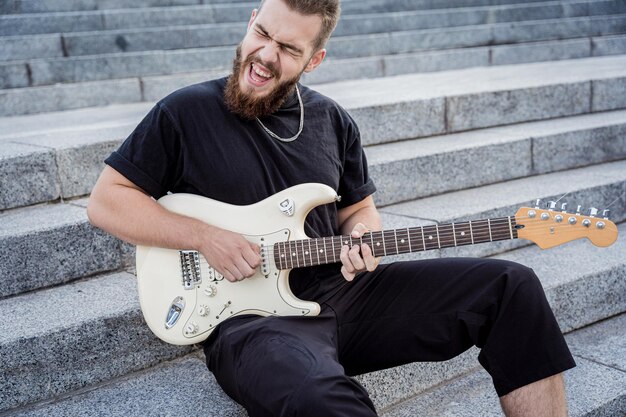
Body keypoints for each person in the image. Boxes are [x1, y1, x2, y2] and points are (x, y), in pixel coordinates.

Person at [87, 0, 576, 416]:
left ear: (315, 59)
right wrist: (204, 237)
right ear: (253, 18)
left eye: (288, 49)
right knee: (319, 398)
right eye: (262, 33)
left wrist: (363, 236)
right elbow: (108, 201)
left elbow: (359, 210)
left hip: (345, 294)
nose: (264, 55)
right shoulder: (185, 112)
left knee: (512, 287)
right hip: (252, 322)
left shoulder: (332, 120)